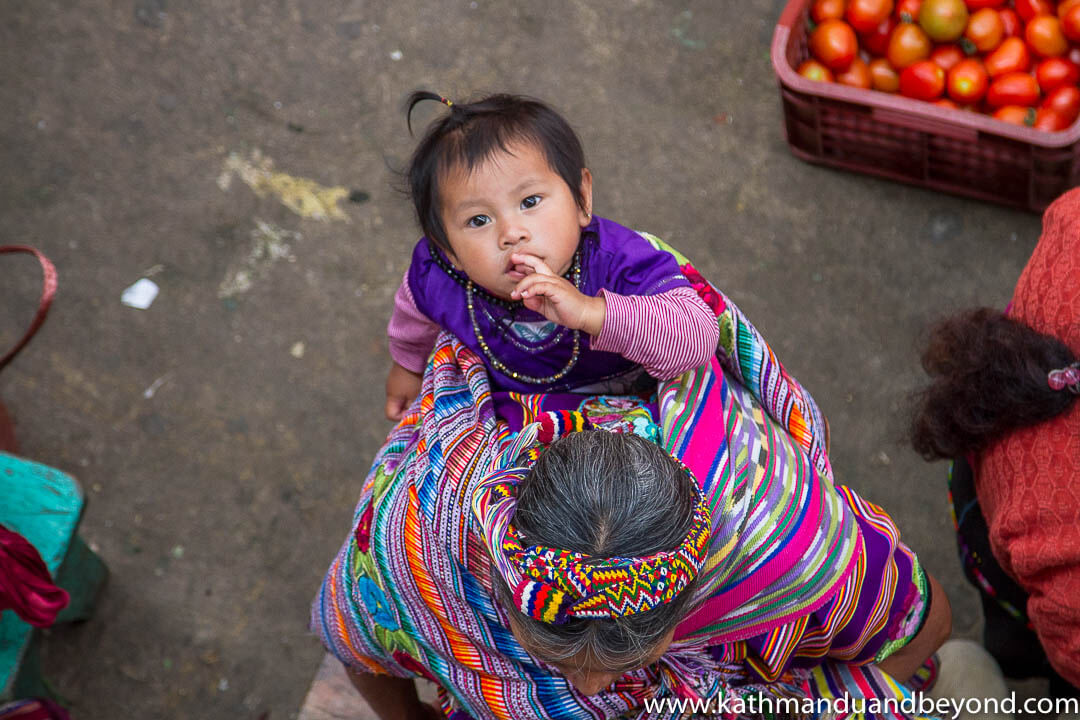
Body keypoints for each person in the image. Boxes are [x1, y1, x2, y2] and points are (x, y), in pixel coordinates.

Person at [314, 244, 951, 719]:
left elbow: (925, 626)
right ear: (500, 582)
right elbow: (356, 634)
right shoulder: (428, 523)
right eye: (557, 662)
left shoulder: (775, 540)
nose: (591, 695)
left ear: (700, 593)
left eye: (627, 664)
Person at [383, 91, 720, 420]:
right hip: (519, 426)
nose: (511, 234)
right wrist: (408, 369)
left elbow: (697, 340)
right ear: (448, 250)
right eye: (478, 220)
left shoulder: (617, 261)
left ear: (582, 198)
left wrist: (591, 312)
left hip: (637, 416)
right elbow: (412, 320)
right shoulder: (436, 275)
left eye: (530, 201)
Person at [910, 187, 1080, 699]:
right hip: (1021, 569)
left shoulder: (1073, 226)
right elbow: (1073, 654)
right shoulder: (1065, 535)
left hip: (985, 460)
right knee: (1020, 642)